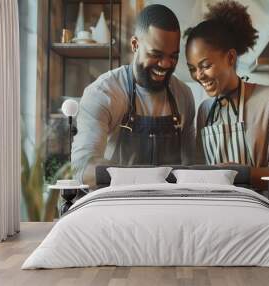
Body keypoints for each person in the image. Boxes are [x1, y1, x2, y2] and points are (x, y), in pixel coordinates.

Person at [72, 4, 196, 187]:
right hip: (119, 203)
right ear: (135, 45)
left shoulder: (184, 95)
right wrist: (145, 179)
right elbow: (83, 168)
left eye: (173, 56)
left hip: (170, 203)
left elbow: (192, 163)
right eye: (156, 54)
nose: (166, 64)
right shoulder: (104, 92)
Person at [185, 1, 269, 188]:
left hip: (258, 211)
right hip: (215, 211)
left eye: (205, 66)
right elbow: (200, 173)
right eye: (192, 69)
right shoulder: (205, 110)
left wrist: (239, 173)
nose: (199, 75)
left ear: (230, 57)